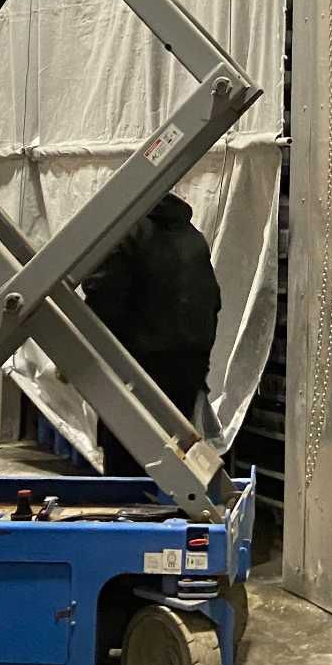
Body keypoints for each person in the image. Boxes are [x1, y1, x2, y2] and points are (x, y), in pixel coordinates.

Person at [84, 192, 221, 476]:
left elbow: (103, 294)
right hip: (187, 370)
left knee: (127, 467)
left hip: (136, 369)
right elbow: (211, 302)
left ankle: (131, 516)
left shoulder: (126, 232)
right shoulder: (192, 236)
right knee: (174, 462)